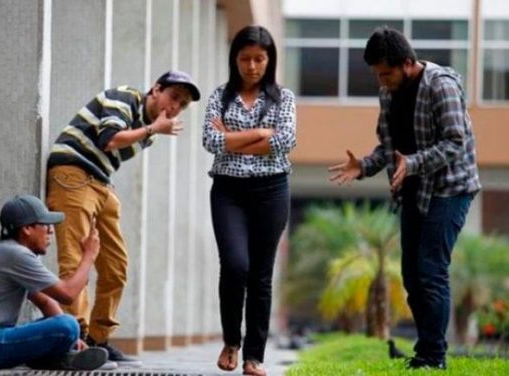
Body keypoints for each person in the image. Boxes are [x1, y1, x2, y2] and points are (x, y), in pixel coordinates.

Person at [328, 26, 481, 370]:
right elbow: (387, 147)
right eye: (377, 75)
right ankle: (426, 349)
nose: (381, 81)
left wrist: (413, 163)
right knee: (412, 275)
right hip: (412, 187)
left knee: (431, 269)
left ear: (407, 63)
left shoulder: (440, 86)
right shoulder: (389, 93)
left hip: (450, 188)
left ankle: (434, 356)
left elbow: (455, 143)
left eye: (386, 73)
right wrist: (363, 166)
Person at [46, 70, 200, 366]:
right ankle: (75, 341)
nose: (175, 107)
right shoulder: (125, 97)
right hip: (73, 173)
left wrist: (150, 131)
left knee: (116, 266)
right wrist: (153, 129)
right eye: (174, 97)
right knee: (76, 260)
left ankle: (97, 340)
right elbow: (108, 140)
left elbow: (110, 156)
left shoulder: (148, 132)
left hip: (100, 182)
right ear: (156, 89)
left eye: (182, 105)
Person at [202, 25, 296, 376]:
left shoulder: (283, 98)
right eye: (245, 58)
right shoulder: (220, 96)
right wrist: (259, 133)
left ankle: (253, 357)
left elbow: (285, 141)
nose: (252, 66)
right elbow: (211, 141)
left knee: (260, 274)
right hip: (228, 191)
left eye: (259, 59)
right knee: (235, 265)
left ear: (269, 60)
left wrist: (233, 137)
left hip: (272, 191)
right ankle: (231, 339)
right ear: (235, 59)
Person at [0, 194, 108, 370]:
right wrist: (89, 255)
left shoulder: (7, 253)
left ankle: (61, 358)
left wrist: (72, 340)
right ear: (26, 229)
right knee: (68, 325)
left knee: (66, 327)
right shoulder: (15, 254)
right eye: (45, 224)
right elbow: (68, 294)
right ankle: (61, 358)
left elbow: (46, 301)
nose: (51, 231)